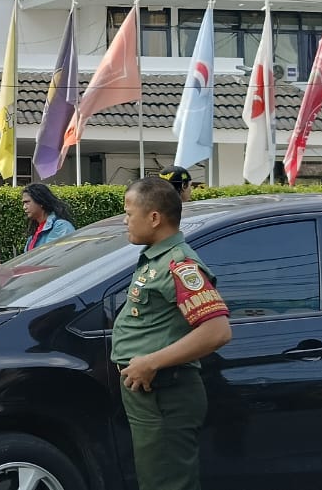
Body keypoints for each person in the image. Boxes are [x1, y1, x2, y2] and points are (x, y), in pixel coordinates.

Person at [113, 177, 232, 490]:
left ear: (154, 217)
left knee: (167, 484)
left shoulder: (179, 264)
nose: (125, 220)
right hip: (151, 397)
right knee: (156, 480)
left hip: (166, 395)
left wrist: (151, 362)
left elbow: (217, 330)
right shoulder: (157, 258)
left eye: (129, 212)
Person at [21, 183, 76, 253]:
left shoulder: (62, 227)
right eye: (23, 203)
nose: (24, 207)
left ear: (40, 202)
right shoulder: (35, 233)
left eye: (27, 202)